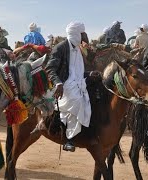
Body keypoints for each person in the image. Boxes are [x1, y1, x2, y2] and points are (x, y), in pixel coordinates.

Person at [45, 21, 100, 152]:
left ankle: (90, 131)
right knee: (76, 99)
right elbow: (50, 68)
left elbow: (77, 71)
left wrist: (90, 74)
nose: (85, 36)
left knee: (97, 88)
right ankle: (69, 138)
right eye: (82, 34)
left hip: (76, 81)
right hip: (63, 83)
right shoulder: (61, 48)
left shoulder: (78, 49)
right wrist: (58, 83)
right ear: (76, 34)